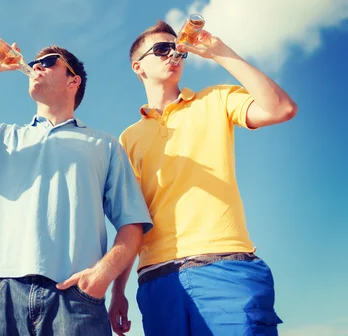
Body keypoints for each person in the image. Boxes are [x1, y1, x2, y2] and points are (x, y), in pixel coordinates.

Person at [0, 44, 153, 335]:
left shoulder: (104, 145)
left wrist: (102, 275)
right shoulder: (0, 137)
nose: (37, 65)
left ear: (73, 80)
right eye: (35, 61)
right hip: (1, 293)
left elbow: (132, 223)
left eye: (49, 61)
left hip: (76, 295)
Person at [109, 20, 298, 336]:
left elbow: (281, 108)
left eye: (177, 49)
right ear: (138, 66)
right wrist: (118, 291)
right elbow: (132, 218)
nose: (173, 54)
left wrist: (218, 50)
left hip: (226, 268)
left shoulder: (218, 99)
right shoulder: (128, 138)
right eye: (161, 49)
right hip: (157, 281)